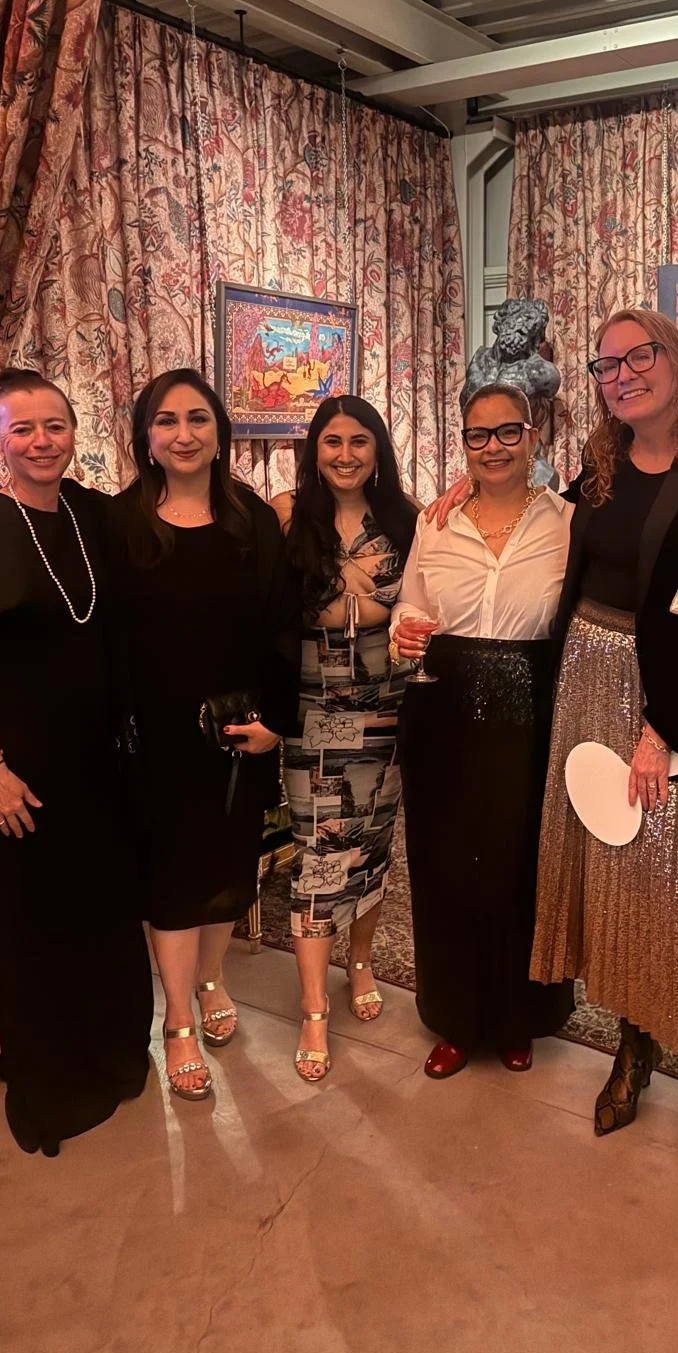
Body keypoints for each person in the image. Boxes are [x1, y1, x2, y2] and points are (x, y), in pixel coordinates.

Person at [528, 309, 678, 1187]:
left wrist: (663, 724)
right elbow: (545, 546)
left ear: (677, 361)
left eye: (642, 356)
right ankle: (632, 1049)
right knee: (619, 876)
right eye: (607, 364)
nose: (624, 374)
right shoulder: (594, 468)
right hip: (589, 689)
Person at [0, 370, 152, 1157]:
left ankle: (116, 1058)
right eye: (24, 429)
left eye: (55, 425)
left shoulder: (85, 513)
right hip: (22, 775)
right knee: (40, 933)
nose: (42, 441)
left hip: (98, 769)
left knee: (103, 920)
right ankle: (53, 1085)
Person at [113, 369, 300, 1102]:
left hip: (236, 732)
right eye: (167, 421)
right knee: (170, 879)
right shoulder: (118, 522)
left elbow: (284, 627)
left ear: (220, 432)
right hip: (151, 738)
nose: (183, 434)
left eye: (198, 418)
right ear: (146, 438)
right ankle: (180, 1017)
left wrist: (275, 725)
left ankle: (214, 977)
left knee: (228, 871)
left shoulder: (251, 519)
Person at [393, 385, 575, 1078]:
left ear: (534, 435)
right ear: (461, 440)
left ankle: (518, 1018)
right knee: (445, 870)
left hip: (533, 708)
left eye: (508, 433)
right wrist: (402, 629)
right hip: (441, 706)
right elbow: (410, 599)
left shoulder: (567, 521)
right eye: (477, 435)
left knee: (520, 867)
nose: (492, 447)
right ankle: (456, 1019)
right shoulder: (434, 523)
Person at [273, 396, 418, 1081]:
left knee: (372, 851)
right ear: (314, 449)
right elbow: (267, 613)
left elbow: (425, 608)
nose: (345, 455)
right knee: (318, 857)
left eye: (359, 442)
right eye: (332, 442)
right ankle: (312, 1008)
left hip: (385, 714)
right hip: (310, 720)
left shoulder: (407, 521)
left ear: (377, 450)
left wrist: (374, 608)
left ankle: (359, 962)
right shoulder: (284, 516)